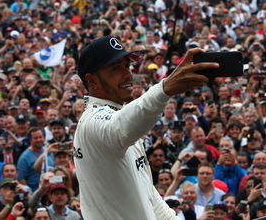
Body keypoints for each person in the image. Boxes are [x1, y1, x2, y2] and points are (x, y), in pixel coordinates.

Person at [74, 36, 219, 219]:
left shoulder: (118, 119)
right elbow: (119, 127)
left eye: (127, 66)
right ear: (92, 81)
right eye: (115, 69)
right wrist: (165, 88)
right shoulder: (90, 123)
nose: (127, 74)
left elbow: (148, 196)